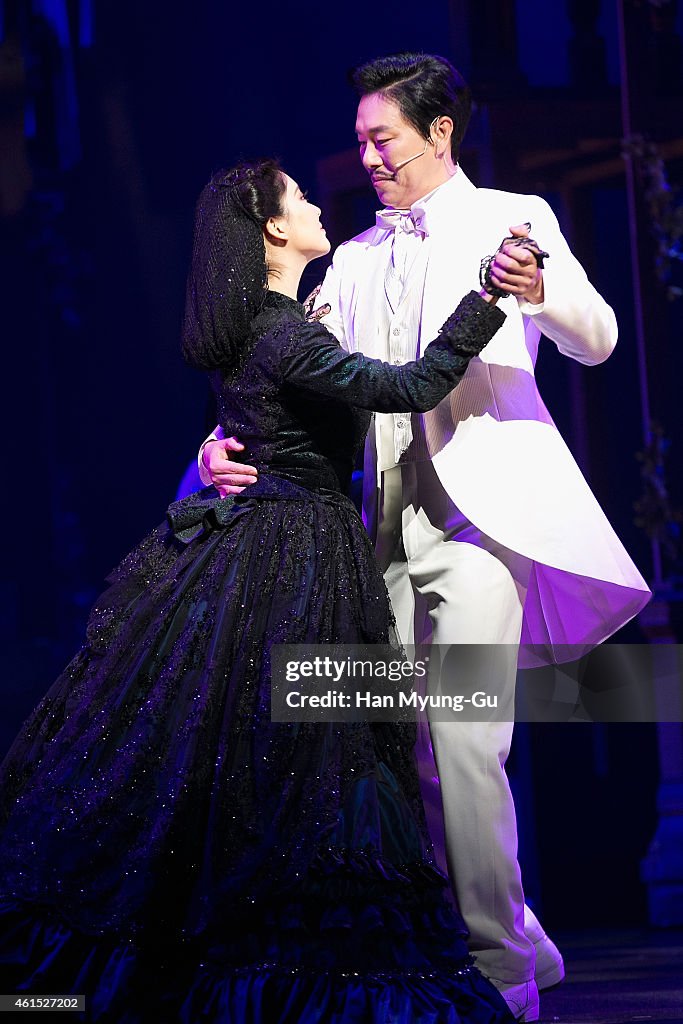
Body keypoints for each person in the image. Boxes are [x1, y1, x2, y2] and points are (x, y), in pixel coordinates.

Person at [0, 160, 517, 1023]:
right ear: (273, 230)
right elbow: (407, 388)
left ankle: (152, 978)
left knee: (259, 767)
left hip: (267, 547)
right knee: (313, 770)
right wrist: (484, 300)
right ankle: (299, 982)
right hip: (296, 557)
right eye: (301, 199)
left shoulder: (270, 325)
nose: (318, 205)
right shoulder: (280, 333)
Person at [199, 54, 652, 1022]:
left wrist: (535, 292)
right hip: (381, 530)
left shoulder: (510, 215)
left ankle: (496, 970)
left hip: (484, 523)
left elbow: (599, 336)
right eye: (359, 139)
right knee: (405, 748)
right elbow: (283, 387)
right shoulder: (352, 259)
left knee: (462, 735)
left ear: (438, 131)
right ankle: (511, 925)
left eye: (381, 136)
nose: (364, 154)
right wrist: (211, 448)